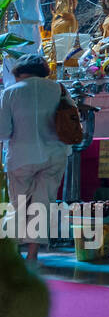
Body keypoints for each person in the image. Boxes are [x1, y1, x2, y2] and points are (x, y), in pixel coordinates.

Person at [0, 54, 72, 264]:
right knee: (43, 204)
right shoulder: (58, 89)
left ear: (18, 72)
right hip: (55, 155)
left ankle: (13, 254)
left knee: (18, 205)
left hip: (22, 157)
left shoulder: (10, 92)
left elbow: (3, 131)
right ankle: (32, 255)